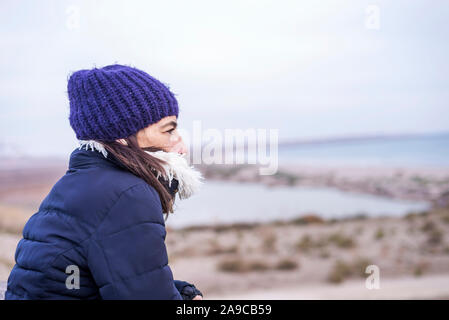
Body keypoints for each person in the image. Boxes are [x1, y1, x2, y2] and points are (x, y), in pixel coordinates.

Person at [5, 64, 204, 300]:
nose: (181, 146)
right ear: (121, 137)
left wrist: (181, 292)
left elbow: (120, 280)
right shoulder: (127, 195)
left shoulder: (85, 182)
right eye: (168, 130)